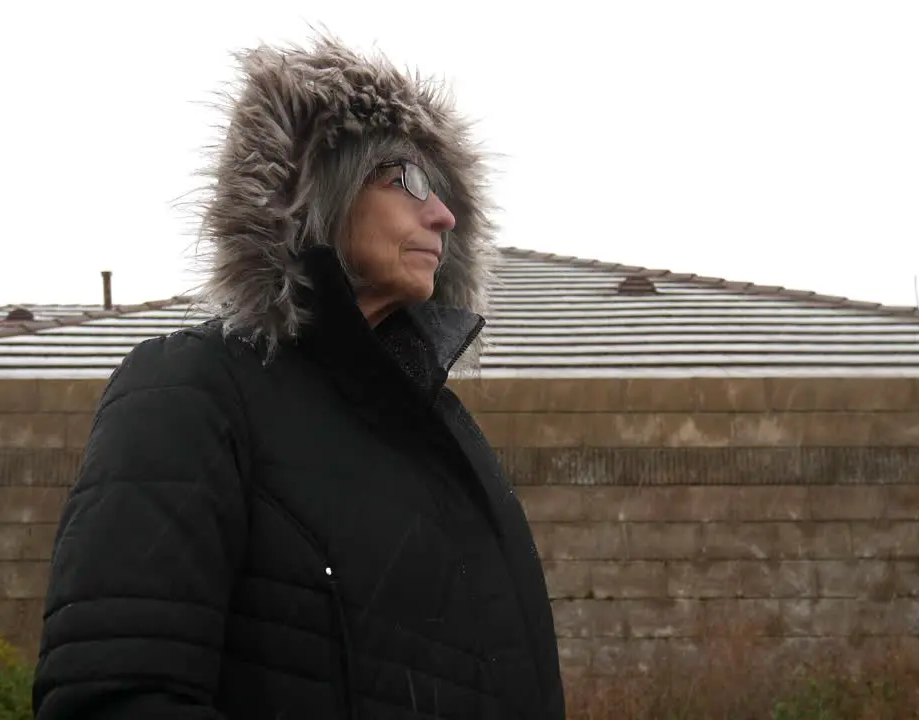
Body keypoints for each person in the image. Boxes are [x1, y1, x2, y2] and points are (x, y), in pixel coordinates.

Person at [31, 32, 565, 720]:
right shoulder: (191, 393)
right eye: (408, 180)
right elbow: (113, 696)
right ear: (317, 187)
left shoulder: (448, 433)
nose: (443, 214)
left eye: (444, 192)